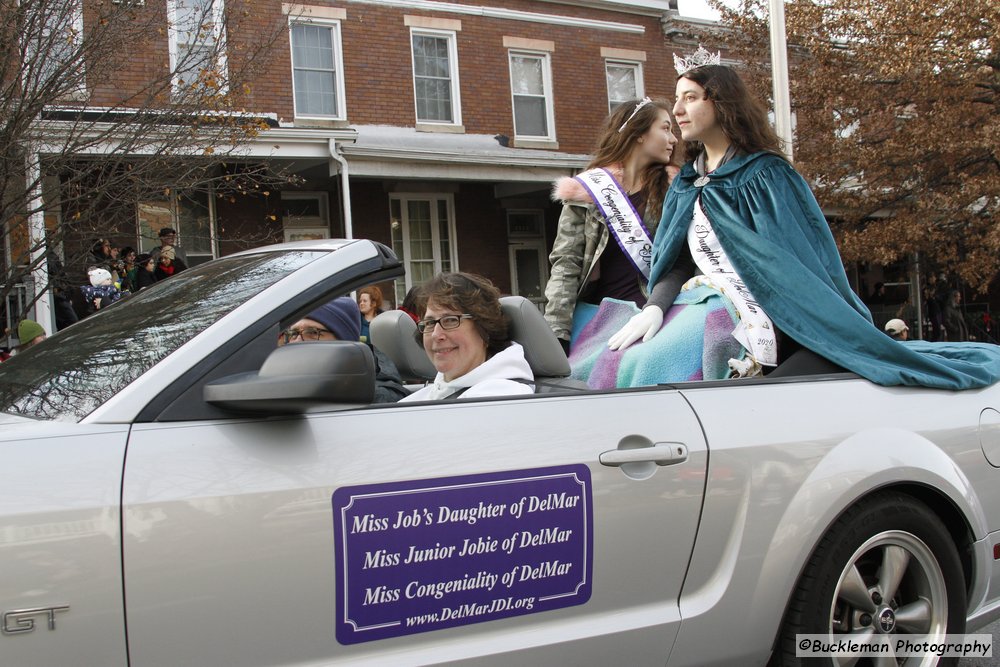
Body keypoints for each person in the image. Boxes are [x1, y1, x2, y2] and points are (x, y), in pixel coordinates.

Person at [607, 46, 1000, 390]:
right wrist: (657, 305)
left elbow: (799, 267)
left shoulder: (766, 176)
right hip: (707, 305)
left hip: (784, 322)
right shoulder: (687, 182)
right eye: (677, 99)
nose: (677, 110)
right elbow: (677, 260)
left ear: (720, 102)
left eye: (690, 98)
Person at [543, 96, 682, 351]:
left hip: (658, 313)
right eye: (665, 128)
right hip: (599, 320)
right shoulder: (586, 193)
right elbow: (566, 265)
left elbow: (682, 261)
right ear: (639, 133)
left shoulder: (677, 189)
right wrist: (557, 334)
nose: (674, 139)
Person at [401, 272, 533, 401]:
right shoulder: (418, 401)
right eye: (429, 323)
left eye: (451, 320)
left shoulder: (502, 399)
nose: (436, 334)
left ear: (485, 329)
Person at [278, 296, 407, 404]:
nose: (297, 341)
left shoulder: (377, 398)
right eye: (293, 333)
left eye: (312, 332)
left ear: (344, 342)